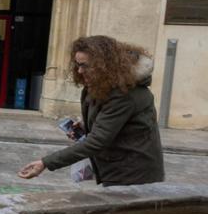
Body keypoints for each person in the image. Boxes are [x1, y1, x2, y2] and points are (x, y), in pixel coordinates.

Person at [18, 35, 164, 185]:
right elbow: (111, 120)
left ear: (104, 65)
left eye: (85, 65)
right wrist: (85, 126)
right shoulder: (100, 84)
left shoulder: (124, 94)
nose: (80, 71)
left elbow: (97, 141)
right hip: (117, 168)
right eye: (77, 65)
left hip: (133, 174)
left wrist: (45, 163)